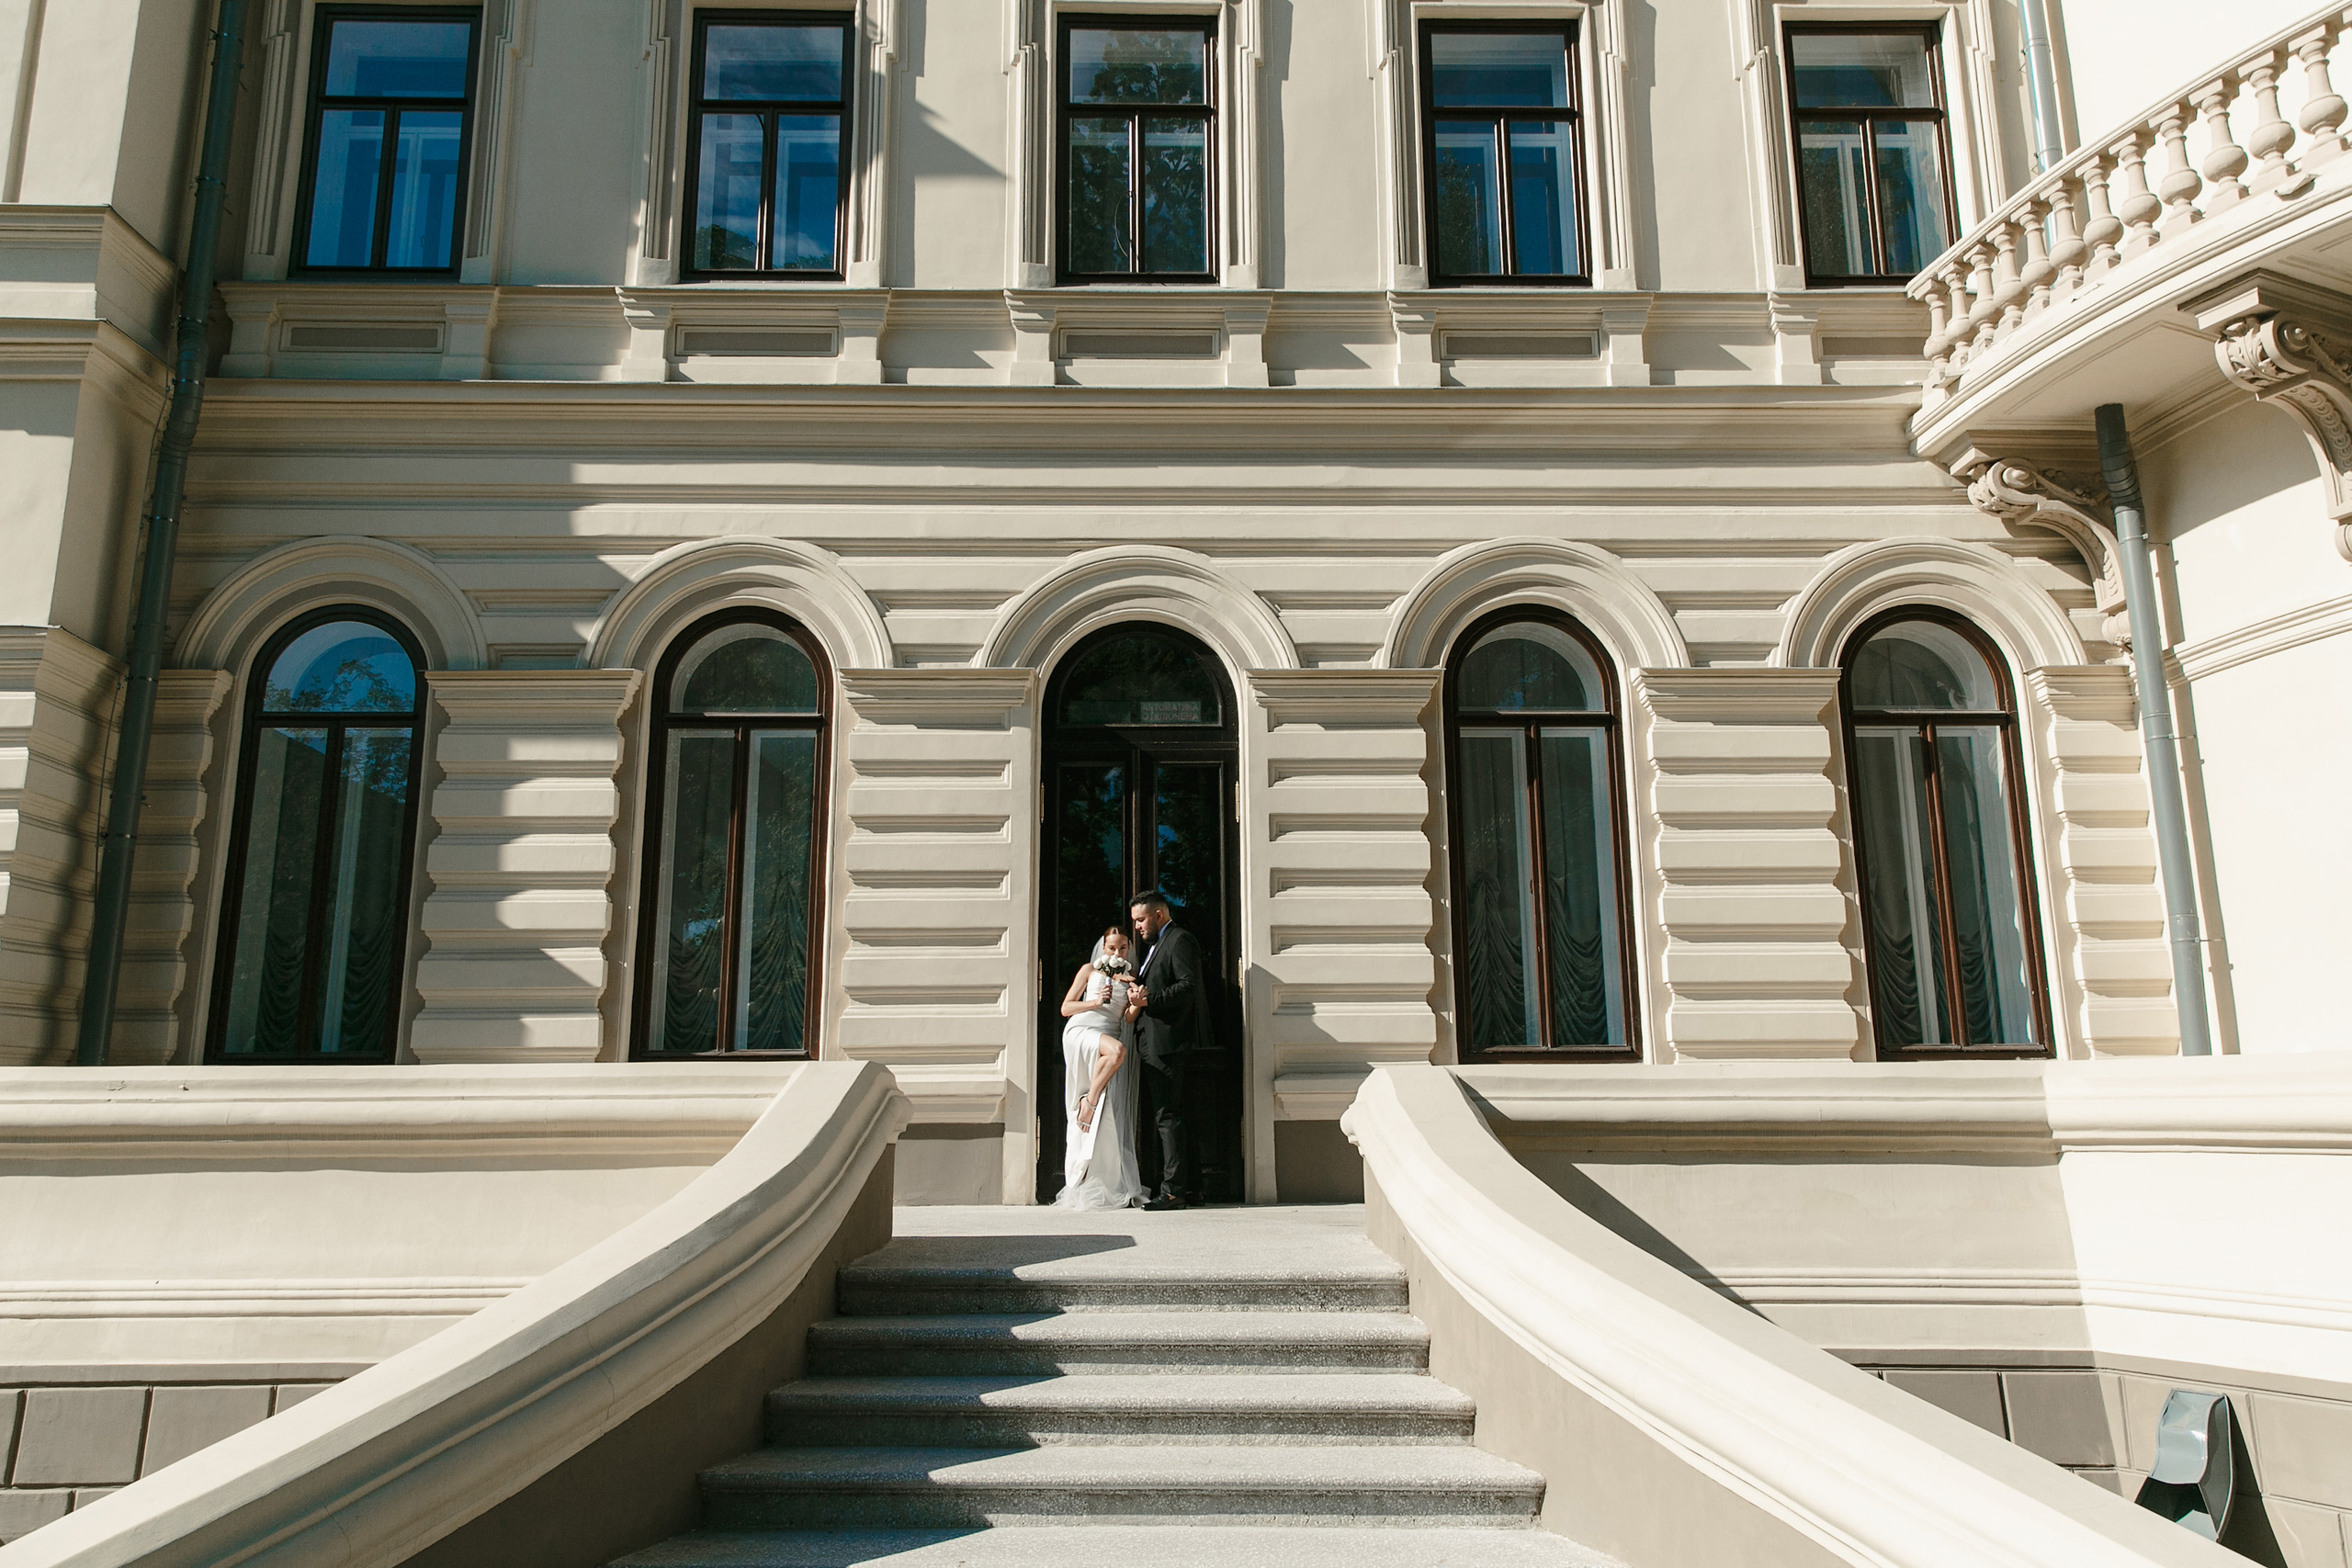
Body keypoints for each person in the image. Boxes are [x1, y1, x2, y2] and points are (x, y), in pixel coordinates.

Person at [1126, 888, 1212, 1211]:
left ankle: (1173, 1190)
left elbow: (1188, 986)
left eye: (1141, 919)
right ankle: (1192, 1189)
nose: (1137, 926)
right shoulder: (1157, 945)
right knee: (1176, 1115)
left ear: (1159, 915)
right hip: (1157, 1042)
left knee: (1168, 1117)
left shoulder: (1179, 940)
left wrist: (1149, 1000)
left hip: (1167, 1044)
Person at [1054, 924, 1146, 1210]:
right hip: (1082, 1031)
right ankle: (1089, 1101)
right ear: (1103, 948)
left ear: (1128, 949)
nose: (1117, 952)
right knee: (1118, 1051)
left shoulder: (1132, 978)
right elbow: (1066, 1008)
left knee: (1116, 1053)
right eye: (1111, 948)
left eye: (1122, 948)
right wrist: (1095, 1001)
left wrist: (1137, 1003)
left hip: (1109, 1035)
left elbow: (1128, 1019)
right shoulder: (1089, 971)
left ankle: (1101, 1175)